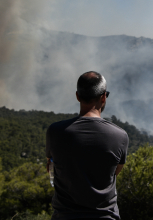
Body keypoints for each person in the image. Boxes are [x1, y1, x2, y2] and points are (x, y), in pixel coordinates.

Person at [46, 71, 129, 220]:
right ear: (103, 97)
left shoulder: (55, 131)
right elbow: (114, 173)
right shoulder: (120, 136)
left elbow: (51, 168)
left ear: (77, 96)